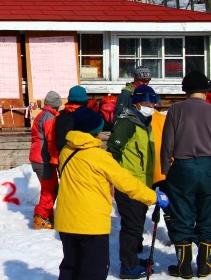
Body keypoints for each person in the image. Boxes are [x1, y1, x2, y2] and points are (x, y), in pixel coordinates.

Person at [54, 106, 169, 280]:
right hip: (91, 224)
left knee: (71, 268)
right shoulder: (99, 157)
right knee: (93, 271)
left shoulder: (66, 152)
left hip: (66, 222)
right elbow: (127, 183)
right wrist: (153, 197)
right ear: (96, 132)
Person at [161, 70, 211, 278]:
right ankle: (206, 264)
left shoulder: (176, 110)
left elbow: (167, 143)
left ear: (185, 90)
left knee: (182, 214)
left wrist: (165, 170)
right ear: (206, 90)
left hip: (182, 167)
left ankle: (184, 266)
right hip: (209, 167)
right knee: (208, 215)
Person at [107, 84, 159, 279]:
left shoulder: (145, 122)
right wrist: (118, 179)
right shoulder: (127, 122)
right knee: (132, 226)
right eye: (147, 102)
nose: (151, 105)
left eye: (153, 102)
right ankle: (128, 266)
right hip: (128, 184)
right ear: (137, 103)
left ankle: (133, 260)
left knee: (137, 223)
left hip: (142, 183)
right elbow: (113, 152)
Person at [29, 90, 62, 229]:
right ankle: (41, 217)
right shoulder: (49, 118)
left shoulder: (42, 115)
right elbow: (51, 140)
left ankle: (46, 216)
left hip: (37, 157)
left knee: (48, 188)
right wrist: (56, 157)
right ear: (57, 105)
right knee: (51, 189)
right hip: (43, 159)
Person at [54, 85, 89, 152]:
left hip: (63, 156)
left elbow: (53, 139)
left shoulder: (60, 116)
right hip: (84, 157)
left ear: (69, 99)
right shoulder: (90, 117)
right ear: (85, 100)